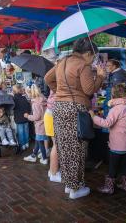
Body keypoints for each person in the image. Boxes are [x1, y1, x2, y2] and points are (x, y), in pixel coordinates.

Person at [45, 38, 105, 199]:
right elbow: (89, 90)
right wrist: (99, 76)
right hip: (75, 110)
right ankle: (75, 189)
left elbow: (47, 79)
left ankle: (69, 184)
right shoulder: (83, 65)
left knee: (64, 147)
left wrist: (61, 92)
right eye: (93, 56)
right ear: (87, 53)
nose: (93, 60)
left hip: (59, 108)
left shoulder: (63, 61)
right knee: (77, 149)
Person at [89, 84, 126, 194]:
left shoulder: (116, 108)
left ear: (114, 94)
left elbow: (106, 123)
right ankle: (125, 186)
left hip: (117, 143)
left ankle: (109, 188)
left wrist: (93, 117)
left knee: (113, 166)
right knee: (125, 166)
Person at [23, 84, 48, 165]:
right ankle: (33, 156)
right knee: (38, 140)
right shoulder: (43, 100)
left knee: (40, 142)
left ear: (30, 94)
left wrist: (28, 116)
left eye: (27, 93)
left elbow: (36, 116)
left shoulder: (35, 104)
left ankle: (44, 158)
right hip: (44, 124)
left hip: (40, 125)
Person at [45, 90, 61, 183]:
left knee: (56, 145)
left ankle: (52, 171)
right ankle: (54, 174)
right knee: (56, 145)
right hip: (52, 116)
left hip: (50, 114)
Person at [12, 84, 32, 150]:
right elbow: (28, 106)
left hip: (18, 118)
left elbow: (13, 108)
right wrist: (28, 113)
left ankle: (22, 144)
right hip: (25, 117)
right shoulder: (24, 98)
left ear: (14, 91)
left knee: (20, 132)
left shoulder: (13, 99)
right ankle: (27, 143)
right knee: (26, 131)